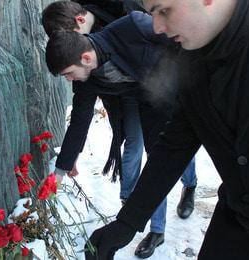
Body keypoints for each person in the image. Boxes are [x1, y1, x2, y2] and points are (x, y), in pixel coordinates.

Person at [86, 0, 249, 259]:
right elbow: (175, 144)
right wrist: (127, 223)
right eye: (151, 13)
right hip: (237, 225)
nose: (157, 26)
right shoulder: (192, 56)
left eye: (164, 10)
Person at [44, 10, 198, 258]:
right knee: (156, 163)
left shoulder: (133, 25)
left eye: (68, 73)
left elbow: (183, 42)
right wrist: (60, 171)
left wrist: (195, 88)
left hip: (187, 95)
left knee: (182, 162)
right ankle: (157, 231)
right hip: (148, 107)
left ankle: (190, 185)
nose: (69, 79)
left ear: (84, 58)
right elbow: (80, 120)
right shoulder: (86, 80)